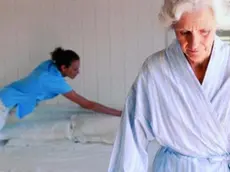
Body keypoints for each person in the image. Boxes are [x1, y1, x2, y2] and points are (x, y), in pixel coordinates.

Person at [108, 0, 230, 171]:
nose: (194, 44)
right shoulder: (156, 70)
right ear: (173, 27)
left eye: (204, 31)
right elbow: (132, 136)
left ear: (217, 25)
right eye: (184, 32)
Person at [0, 47, 121, 139]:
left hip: (7, 97)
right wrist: (118, 113)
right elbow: (87, 104)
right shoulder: (54, 81)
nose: (78, 72)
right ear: (63, 68)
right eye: (74, 69)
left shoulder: (48, 65)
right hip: (3, 104)